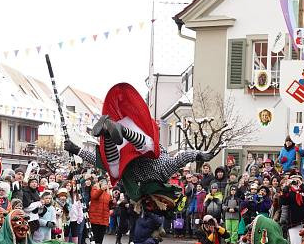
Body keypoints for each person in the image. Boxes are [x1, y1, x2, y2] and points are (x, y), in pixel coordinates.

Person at [65, 83, 213, 209]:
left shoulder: (140, 178)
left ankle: (108, 132)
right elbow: (179, 159)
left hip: (126, 144)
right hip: (135, 135)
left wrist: (76, 149)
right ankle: (114, 132)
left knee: (115, 168)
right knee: (144, 151)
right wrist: (197, 154)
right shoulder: (159, 172)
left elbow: (179, 158)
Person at [87, 178, 112, 244]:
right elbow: (94, 196)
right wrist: (101, 189)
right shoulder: (95, 188)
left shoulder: (107, 191)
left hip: (104, 215)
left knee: (101, 232)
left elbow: (109, 202)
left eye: (105, 183)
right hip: (96, 214)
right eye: (103, 182)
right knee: (95, 232)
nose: (105, 184)